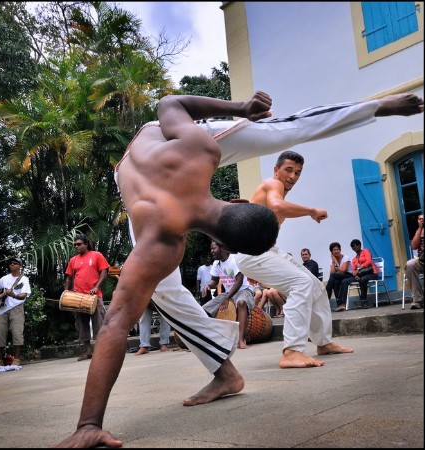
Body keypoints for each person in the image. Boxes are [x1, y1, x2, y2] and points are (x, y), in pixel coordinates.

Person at [55, 91, 423, 447]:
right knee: (280, 131)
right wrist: (88, 423)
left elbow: (170, 101)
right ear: (229, 249)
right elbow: (116, 323)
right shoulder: (162, 238)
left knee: (164, 291)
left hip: (144, 155)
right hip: (157, 151)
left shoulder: (199, 154)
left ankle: (225, 373)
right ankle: (376, 107)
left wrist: (241, 106)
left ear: (235, 203)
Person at [235, 150, 355, 369]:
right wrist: (311, 211)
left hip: (267, 250)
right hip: (252, 252)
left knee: (316, 286)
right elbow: (277, 206)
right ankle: (291, 351)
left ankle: (323, 343)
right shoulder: (273, 184)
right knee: (300, 284)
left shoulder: (278, 189)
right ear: (276, 170)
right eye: (288, 170)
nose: (292, 177)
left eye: (298, 173)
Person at [64, 235, 110, 361]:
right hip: (78, 297)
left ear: (86, 244)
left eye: (79, 244)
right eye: (75, 245)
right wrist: (66, 292)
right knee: (82, 325)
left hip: (94, 296)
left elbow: (104, 271)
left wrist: (96, 287)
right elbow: (68, 277)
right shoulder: (73, 260)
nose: (76, 246)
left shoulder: (96, 255)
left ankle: (101, 352)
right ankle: (88, 352)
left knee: (99, 324)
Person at [202, 241, 255, 349]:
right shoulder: (216, 264)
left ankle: (241, 340)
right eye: (211, 249)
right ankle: (202, 340)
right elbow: (214, 281)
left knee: (241, 303)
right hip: (229, 292)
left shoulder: (234, 260)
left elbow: (239, 281)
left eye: (213, 248)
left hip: (243, 290)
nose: (211, 251)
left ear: (221, 248)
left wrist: (227, 298)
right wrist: (208, 286)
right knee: (204, 309)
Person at [0, 257, 31, 367]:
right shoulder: (4, 278)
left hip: (16, 308)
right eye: (11, 263)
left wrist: (14, 295)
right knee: (0, 333)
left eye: (15, 263)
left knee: (17, 332)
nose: (12, 265)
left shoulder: (24, 280)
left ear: (20, 266)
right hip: (2, 309)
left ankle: (16, 359)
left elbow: (23, 295)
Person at [336, 239, 379, 310]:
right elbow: (354, 270)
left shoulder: (365, 251)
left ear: (360, 245)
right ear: (352, 248)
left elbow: (368, 261)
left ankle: (364, 301)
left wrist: (360, 268)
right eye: (353, 246)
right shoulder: (354, 259)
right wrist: (355, 276)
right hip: (360, 275)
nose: (355, 246)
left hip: (371, 273)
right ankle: (341, 304)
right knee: (344, 281)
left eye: (357, 245)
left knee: (363, 280)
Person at [405, 214, 424, 309]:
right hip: (422, 262)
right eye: (420, 219)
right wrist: (420, 229)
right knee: (410, 264)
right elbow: (414, 246)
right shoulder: (419, 231)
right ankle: (417, 299)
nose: (422, 220)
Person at [326, 242, 353, 306]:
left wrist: (336, 262)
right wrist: (333, 262)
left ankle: (326, 298)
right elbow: (332, 272)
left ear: (340, 250)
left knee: (333, 277)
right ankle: (339, 304)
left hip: (348, 275)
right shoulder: (332, 260)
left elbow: (343, 271)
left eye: (337, 249)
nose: (336, 251)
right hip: (339, 276)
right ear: (331, 252)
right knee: (335, 282)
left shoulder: (346, 258)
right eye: (334, 250)